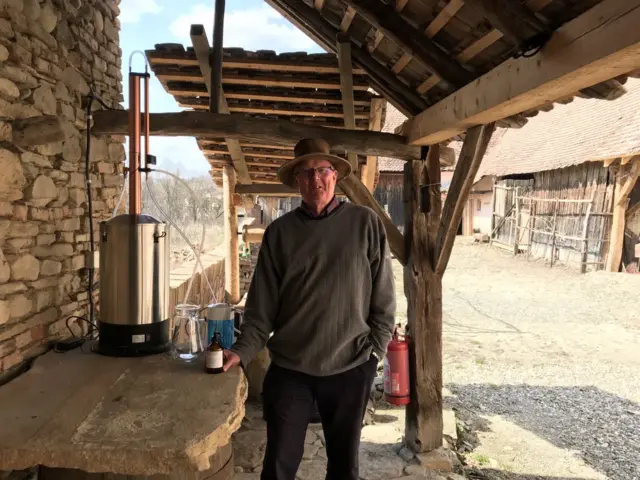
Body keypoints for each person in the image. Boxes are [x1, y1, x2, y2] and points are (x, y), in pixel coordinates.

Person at [223, 138, 396, 480]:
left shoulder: (366, 224)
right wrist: (241, 353)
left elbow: (384, 300)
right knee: (277, 467)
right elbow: (260, 309)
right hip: (291, 371)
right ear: (296, 181)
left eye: (322, 170)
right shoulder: (279, 234)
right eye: (305, 173)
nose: (315, 179)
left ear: (335, 176)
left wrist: (375, 353)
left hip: (350, 367)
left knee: (344, 468)